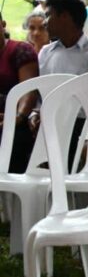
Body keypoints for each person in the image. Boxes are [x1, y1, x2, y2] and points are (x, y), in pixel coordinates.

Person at [0, 12, 39, 173]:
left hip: (15, 124)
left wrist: (17, 117)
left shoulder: (20, 50)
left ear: (3, 25)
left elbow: (28, 90)